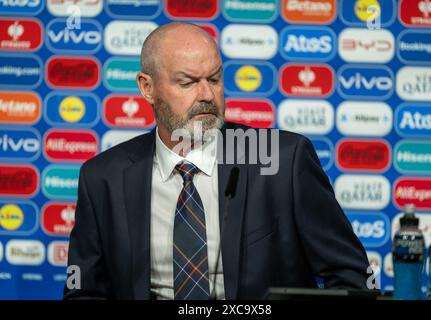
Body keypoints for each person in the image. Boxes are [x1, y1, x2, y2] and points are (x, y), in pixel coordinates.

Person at [64, 22, 371, 300]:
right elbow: (83, 292)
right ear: (147, 88)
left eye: (214, 78)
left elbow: (351, 277)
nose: (207, 95)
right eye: (187, 83)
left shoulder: (282, 161)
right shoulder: (104, 177)